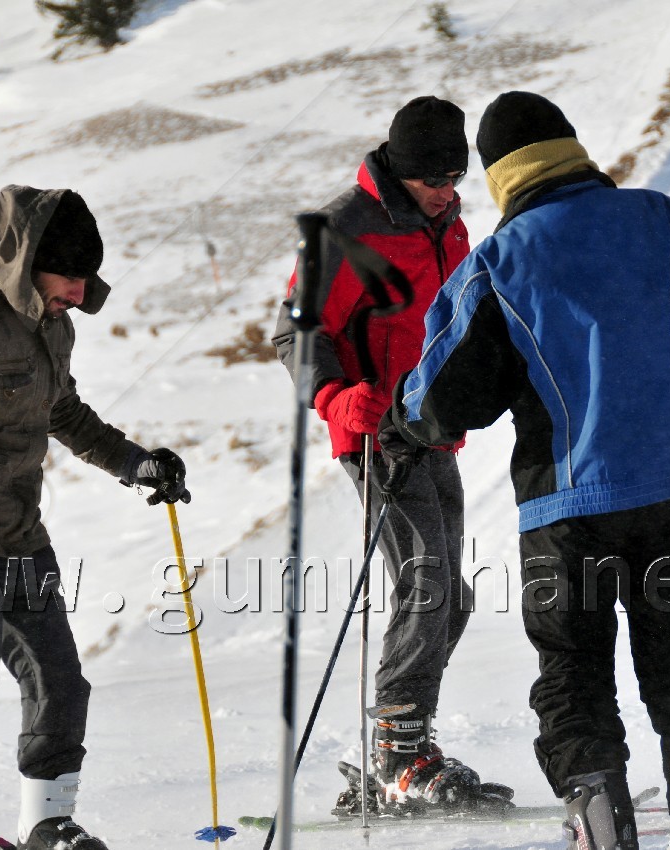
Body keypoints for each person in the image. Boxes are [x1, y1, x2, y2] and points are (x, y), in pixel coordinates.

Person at [377, 91, 670, 850]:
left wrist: (400, 424)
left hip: (567, 510)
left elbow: (442, 398)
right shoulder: (663, 220)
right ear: (572, 149)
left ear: (499, 177)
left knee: (573, 671)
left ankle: (601, 826)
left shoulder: (499, 260)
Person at [0, 185, 191, 850]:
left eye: (85, 279)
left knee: (58, 676)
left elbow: (64, 413)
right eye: (69, 276)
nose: (79, 292)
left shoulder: (55, 326)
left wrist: (135, 463)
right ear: (28, 263)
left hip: (18, 531)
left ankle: (46, 821)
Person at [270, 95, 507, 813]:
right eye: (434, 177)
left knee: (449, 596)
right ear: (401, 171)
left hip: (430, 428)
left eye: (455, 176)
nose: (448, 189)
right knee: (426, 582)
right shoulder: (346, 228)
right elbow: (293, 333)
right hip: (372, 428)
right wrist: (336, 394)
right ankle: (400, 757)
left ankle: (400, 747)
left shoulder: (450, 226)